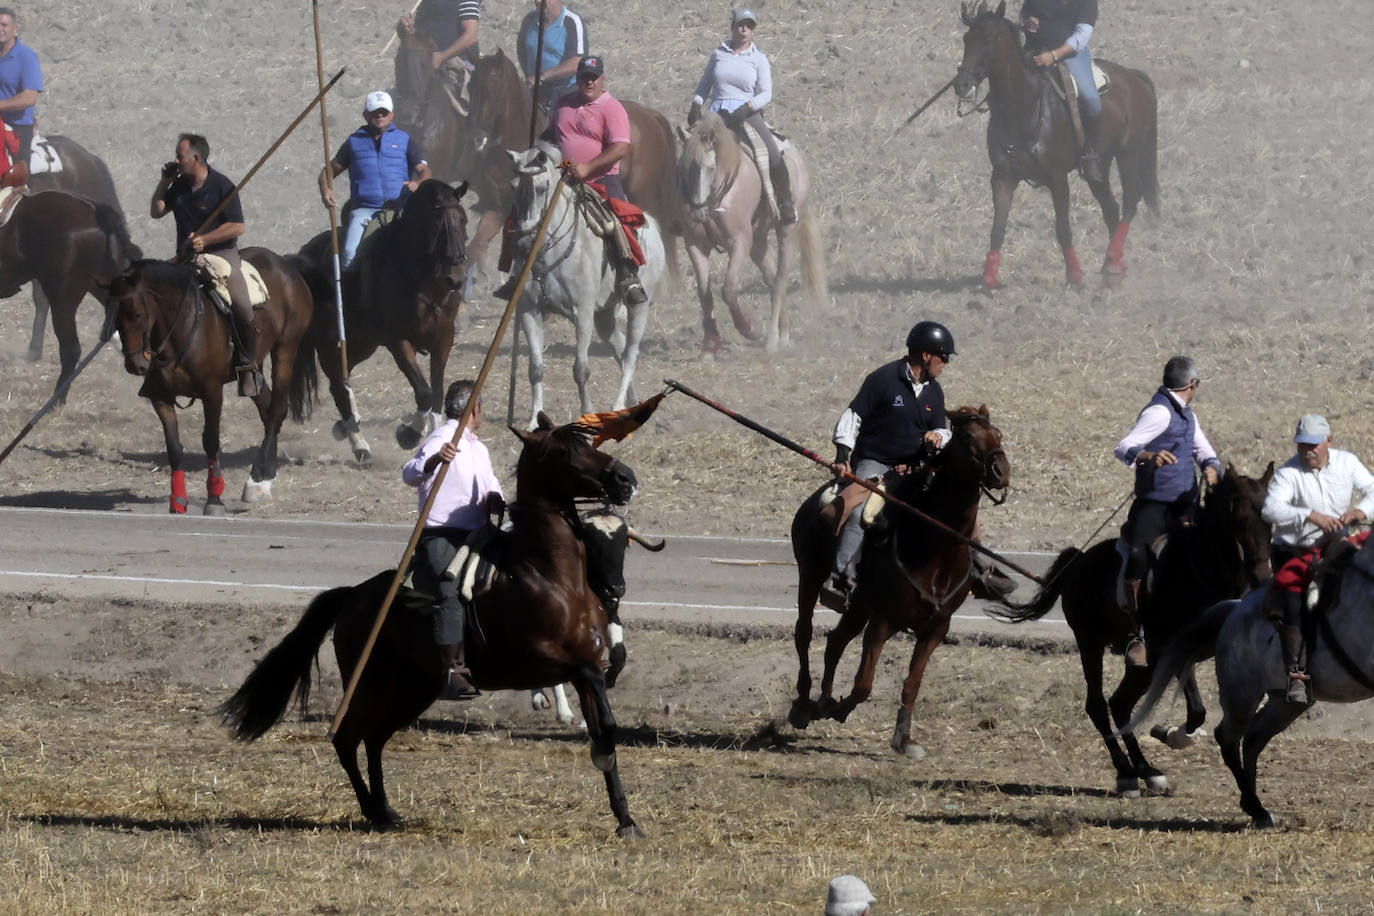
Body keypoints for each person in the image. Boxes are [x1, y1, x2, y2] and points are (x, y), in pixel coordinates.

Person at [822, 321, 955, 610]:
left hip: (915, 467)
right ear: (926, 355)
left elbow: (943, 429)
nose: (945, 363)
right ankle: (840, 578)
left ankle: (972, 573)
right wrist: (843, 454)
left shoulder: (934, 391)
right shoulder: (882, 380)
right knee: (861, 512)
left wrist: (938, 435)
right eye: (943, 357)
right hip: (877, 463)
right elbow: (852, 417)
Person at [1113, 356, 1222, 666]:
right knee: (1138, 555)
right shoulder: (1160, 412)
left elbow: (1203, 450)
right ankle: (1136, 633)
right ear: (1193, 385)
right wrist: (1147, 454)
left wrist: (1211, 468)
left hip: (1185, 504)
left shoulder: (1188, 415)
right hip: (1155, 505)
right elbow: (1124, 446)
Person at [402, 379, 506, 701]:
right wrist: (434, 461)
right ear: (475, 409)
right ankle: (453, 672)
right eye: (482, 406)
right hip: (441, 535)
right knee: (450, 593)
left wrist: (495, 500)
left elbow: (492, 485)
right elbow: (410, 473)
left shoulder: (479, 447)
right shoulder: (442, 438)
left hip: (479, 534)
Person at [1261, 413, 1374, 703]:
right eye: (1302, 444)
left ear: (1329, 441)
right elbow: (1270, 509)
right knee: (1295, 597)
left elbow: (1372, 489)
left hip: (1336, 545)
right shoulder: (1289, 473)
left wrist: (1359, 512)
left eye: (1313, 444)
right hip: (1296, 550)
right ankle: (1296, 674)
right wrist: (1310, 516)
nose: (1307, 449)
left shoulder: (1347, 463)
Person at [150, 133, 261, 398]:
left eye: (180, 156)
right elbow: (157, 210)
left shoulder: (222, 187)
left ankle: (248, 366)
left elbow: (238, 226)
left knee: (241, 304)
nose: (176, 160)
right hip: (186, 258)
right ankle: (158, 366)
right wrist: (165, 181)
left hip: (222, 255)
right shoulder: (179, 185)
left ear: (196, 158)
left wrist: (206, 239)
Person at [538, 54, 646, 304]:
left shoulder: (612, 108)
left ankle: (628, 273)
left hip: (603, 178)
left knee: (618, 220)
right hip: (563, 174)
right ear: (578, 78)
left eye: (594, 78)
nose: (589, 83)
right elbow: (550, 138)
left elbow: (620, 148)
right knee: (527, 213)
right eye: (585, 77)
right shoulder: (562, 105)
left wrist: (587, 168)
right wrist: (559, 162)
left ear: (602, 79)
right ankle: (520, 273)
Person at [688, 8, 797, 222]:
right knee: (690, 154)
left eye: (749, 25)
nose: (744, 28)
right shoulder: (719, 54)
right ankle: (682, 208)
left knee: (772, 153)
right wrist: (696, 104)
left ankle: (786, 203)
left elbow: (766, 93)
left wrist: (747, 107)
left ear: (753, 30)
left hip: (745, 114)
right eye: (740, 24)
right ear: (732, 27)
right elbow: (704, 84)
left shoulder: (759, 59)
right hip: (716, 115)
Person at [319, 90, 431, 270]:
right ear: (365, 115)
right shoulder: (354, 142)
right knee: (349, 252)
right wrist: (326, 190)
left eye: (384, 112)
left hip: (399, 210)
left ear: (391, 114)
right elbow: (328, 172)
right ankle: (350, 294)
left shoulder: (404, 139)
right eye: (375, 112)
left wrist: (418, 183)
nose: (380, 116)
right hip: (364, 210)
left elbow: (425, 170)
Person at [1019, 0, 1105, 182]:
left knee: (1091, 99)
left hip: (1069, 54)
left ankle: (1090, 153)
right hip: (1034, 48)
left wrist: (1053, 55)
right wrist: (1025, 22)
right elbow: (1025, 12)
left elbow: (1083, 34)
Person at [517, 0, 589, 112]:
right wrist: (530, 77)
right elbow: (522, 52)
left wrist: (541, 77)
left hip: (566, 92)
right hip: (535, 91)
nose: (538, 1)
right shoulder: (529, 20)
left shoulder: (571, 21)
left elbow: (577, 62)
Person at [0, 6, 41, 186]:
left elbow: (30, 97)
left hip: (17, 128)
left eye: (4, 25)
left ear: (14, 29)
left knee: (16, 180)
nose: (0, 28)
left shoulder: (27, 57)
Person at [401, 0, 482, 73]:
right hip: (426, 63)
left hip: (459, 62)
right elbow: (421, 35)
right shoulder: (425, 3)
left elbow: (471, 36)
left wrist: (440, 57)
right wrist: (411, 29)